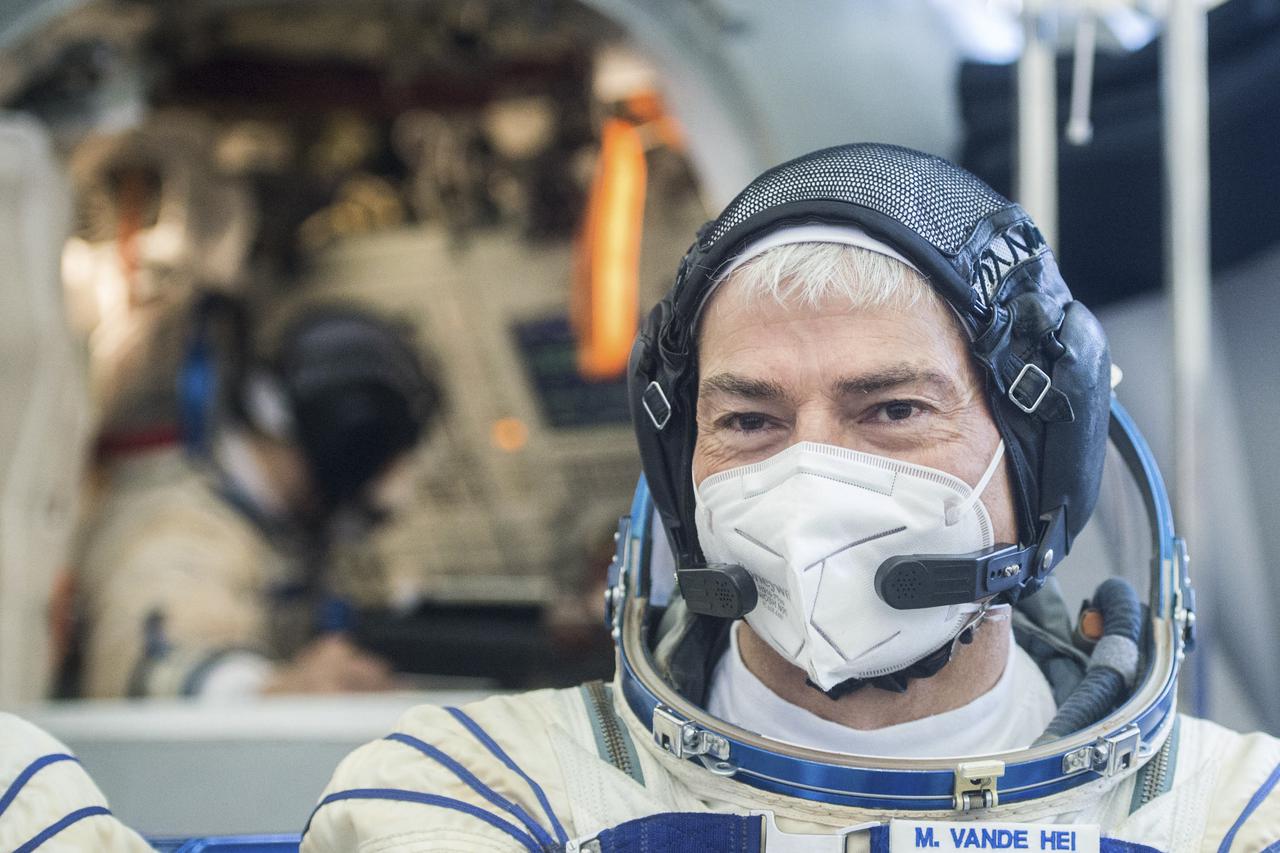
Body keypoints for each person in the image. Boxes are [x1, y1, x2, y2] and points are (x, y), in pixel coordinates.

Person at [300, 144, 1280, 852]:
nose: (809, 478)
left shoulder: (1225, 813)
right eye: (749, 421)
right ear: (679, 474)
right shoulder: (478, 792)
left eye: (891, 409)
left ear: (1042, 459)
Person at [75, 302, 440, 699]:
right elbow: (150, 662)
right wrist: (267, 692)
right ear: (347, 451)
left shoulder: (273, 529)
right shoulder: (177, 526)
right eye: (379, 468)